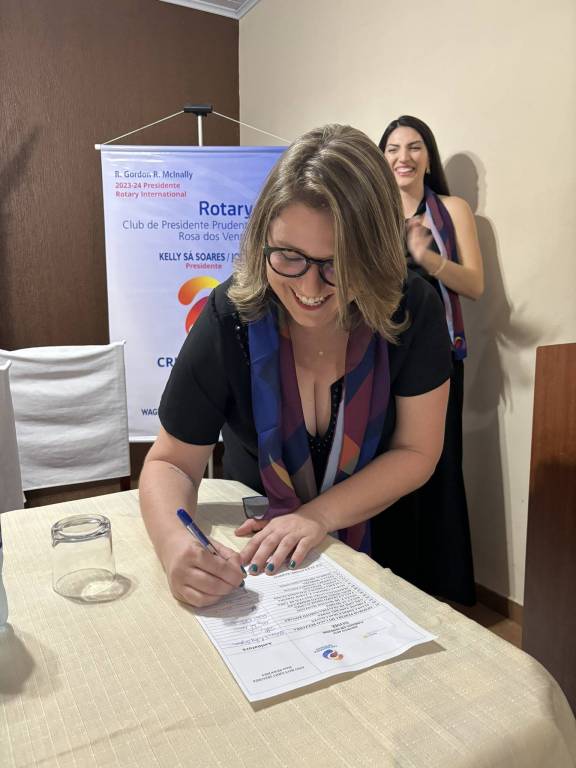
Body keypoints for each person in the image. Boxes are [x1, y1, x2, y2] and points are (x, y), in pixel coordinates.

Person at [139, 124, 453, 609]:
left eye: (338, 263)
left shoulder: (411, 309)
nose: (310, 287)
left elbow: (417, 451)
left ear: (374, 256)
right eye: (288, 256)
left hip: (382, 553)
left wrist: (316, 516)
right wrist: (174, 545)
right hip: (256, 562)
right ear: (262, 240)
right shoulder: (230, 316)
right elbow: (170, 462)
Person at [378, 115, 484, 605]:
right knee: (385, 469)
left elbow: (475, 285)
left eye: (414, 146)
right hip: (380, 360)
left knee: (440, 469)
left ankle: (443, 592)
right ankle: (393, 585)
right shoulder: (373, 212)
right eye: (393, 148)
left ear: (428, 157)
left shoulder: (451, 209)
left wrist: (427, 258)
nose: (403, 157)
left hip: (439, 359)